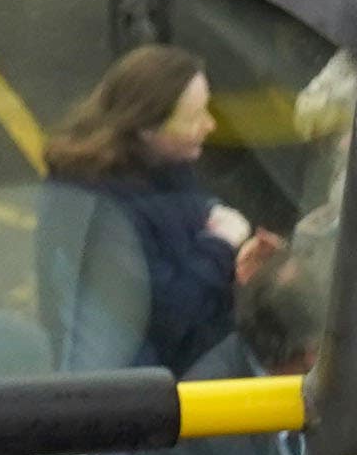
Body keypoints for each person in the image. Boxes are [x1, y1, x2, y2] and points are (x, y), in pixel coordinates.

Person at [41, 42, 284, 374]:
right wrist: (221, 246)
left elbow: (181, 211)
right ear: (147, 129)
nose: (210, 125)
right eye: (195, 117)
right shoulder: (99, 215)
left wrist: (219, 227)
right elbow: (168, 312)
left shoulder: (153, 165)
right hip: (140, 391)